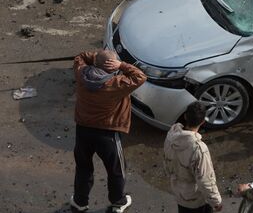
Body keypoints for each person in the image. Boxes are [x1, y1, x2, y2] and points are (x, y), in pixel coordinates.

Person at [70, 49, 147, 213]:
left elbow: (80, 57)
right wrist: (122, 64)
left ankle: (79, 202)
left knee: (83, 167)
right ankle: (118, 202)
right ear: (112, 68)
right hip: (108, 133)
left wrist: (97, 58)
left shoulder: (81, 74)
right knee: (116, 170)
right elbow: (140, 76)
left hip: (83, 129)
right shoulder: (116, 84)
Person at [164, 102, 223, 213]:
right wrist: (216, 202)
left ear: (185, 116)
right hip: (195, 200)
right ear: (203, 122)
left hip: (179, 192)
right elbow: (205, 181)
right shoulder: (199, 149)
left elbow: (166, 162)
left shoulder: (171, 136)